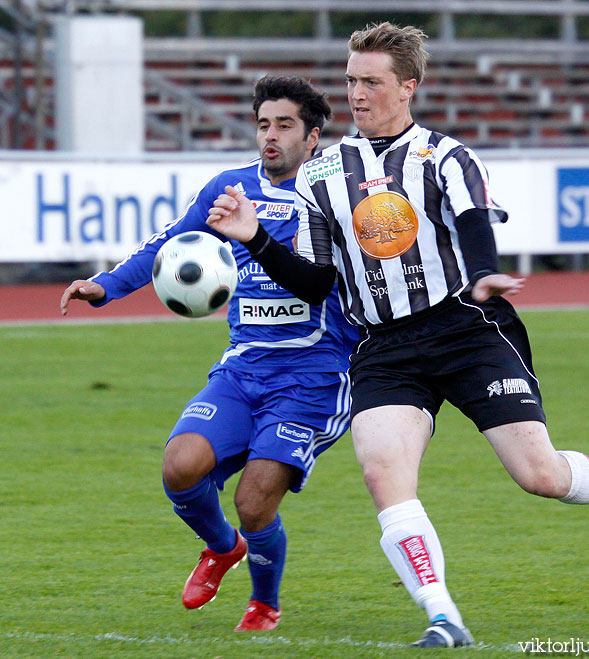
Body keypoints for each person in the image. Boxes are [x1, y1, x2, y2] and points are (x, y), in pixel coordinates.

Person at [205, 24, 589, 649]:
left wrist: (484, 274)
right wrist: (256, 239)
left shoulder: (445, 158)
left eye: (371, 82)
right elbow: (320, 282)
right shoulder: (322, 172)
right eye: (351, 80)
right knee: (384, 474)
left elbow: (473, 221)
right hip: (382, 347)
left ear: (408, 87)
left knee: (538, 475)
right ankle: (443, 616)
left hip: (465, 327)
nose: (356, 93)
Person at [60, 75, 358, 632]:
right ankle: (223, 548)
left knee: (254, 499)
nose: (270, 136)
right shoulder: (230, 187)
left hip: (315, 374)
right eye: (264, 124)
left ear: (313, 137)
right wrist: (106, 286)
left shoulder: (336, 196)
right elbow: (166, 245)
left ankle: (264, 604)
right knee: (180, 466)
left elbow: (326, 282)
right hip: (243, 367)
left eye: (285, 125)